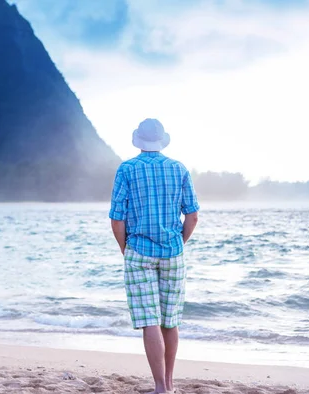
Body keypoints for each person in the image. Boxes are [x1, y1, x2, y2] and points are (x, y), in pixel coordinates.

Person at [109, 118, 200, 394]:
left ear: (138, 140)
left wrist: (126, 249)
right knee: (170, 321)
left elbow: (117, 219)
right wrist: (178, 242)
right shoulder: (178, 169)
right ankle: (170, 385)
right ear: (162, 141)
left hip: (139, 251)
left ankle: (160, 387)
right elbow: (193, 216)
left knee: (150, 319)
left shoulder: (127, 169)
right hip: (172, 251)